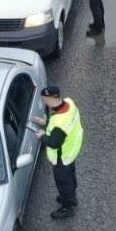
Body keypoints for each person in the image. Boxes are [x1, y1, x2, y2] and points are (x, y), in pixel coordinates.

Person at [33, 86, 82, 219]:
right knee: (70, 175)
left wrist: (42, 135)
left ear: (50, 99)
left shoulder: (59, 122)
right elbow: (61, 124)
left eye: (44, 99)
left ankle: (68, 206)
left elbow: (54, 143)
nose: (44, 102)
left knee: (62, 181)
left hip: (62, 157)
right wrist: (46, 122)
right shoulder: (69, 103)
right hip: (71, 150)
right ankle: (72, 196)